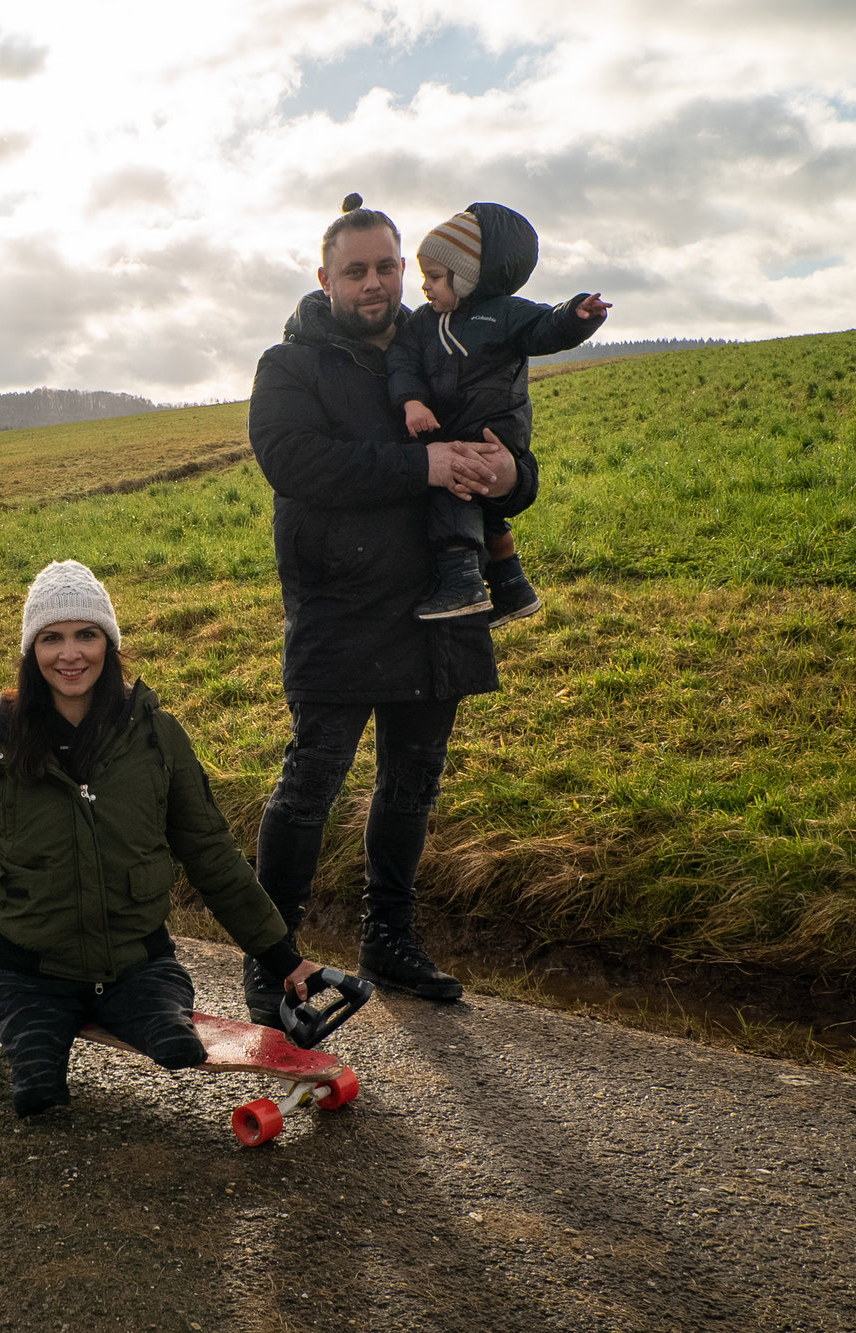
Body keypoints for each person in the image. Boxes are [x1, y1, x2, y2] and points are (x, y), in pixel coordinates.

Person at [240, 194, 539, 1025]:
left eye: (385, 267)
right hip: (340, 606)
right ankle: (273, 963)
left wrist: (507, 477)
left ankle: (389, 939)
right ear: (324, 276)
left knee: (411, 786)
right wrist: (426, 469)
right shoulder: (289, 365)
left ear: (403, 268)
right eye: (354, 270)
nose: (372, 284)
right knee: (311, 785)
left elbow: (514, 457)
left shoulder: (447, 344)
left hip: (444, 603)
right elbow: (293, 461)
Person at [0, 559, 321, 1116]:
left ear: (109, 645)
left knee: (179, 1051)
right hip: (28, 974)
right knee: (37, 1094)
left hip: (139, 966)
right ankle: (31, 1045)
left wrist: (282, 956)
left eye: (87, 635)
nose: (71, 655)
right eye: (52, 639)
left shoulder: (156, 735)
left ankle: (140, 1011)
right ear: (31, 651)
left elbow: (210, 852)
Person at [389, 203, 610, 625]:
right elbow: (402, 363)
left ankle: (462, 584)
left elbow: (544, 326)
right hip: (454, 429)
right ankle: (512, 588)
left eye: (435, 277)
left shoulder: (503, 312)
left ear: (466, 275)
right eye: (423, 277)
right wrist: (411, 401)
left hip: (496, 431)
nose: (425, 287)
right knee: (488, 512)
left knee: (453, 490)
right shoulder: (419, 324)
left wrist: (577, 315)